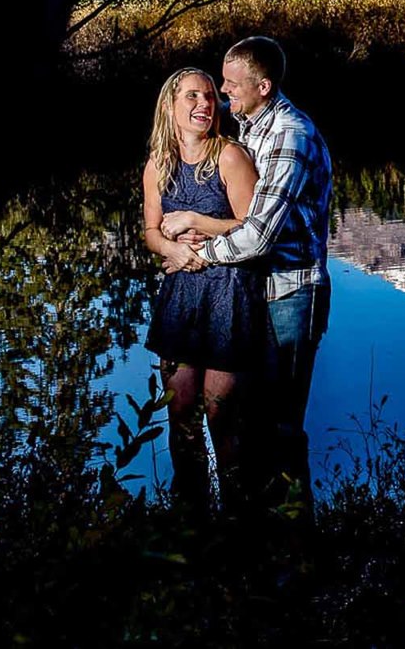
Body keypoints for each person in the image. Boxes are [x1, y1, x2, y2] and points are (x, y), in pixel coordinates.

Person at [170, 36, 333, 501]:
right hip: (256, 292)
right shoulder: (251, 127)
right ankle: (257, 539)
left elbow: (260, 233)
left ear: (263, 85)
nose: (223, 93)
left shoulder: (290, 135)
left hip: (291, 293)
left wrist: (200, 254)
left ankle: (295, 543)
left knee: (282, 427)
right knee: (252, 422)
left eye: (231, 85)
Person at [140, 67, 267, 499]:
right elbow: (151, 231)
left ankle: (237, 515)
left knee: (222, 414)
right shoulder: (158, 164)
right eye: (193, 96)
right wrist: (172, 251)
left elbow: (254, 229)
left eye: (210, 96)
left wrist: (199, 224)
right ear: (171, 106)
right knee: (180, 415)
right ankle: (189, 517)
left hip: (228, 293)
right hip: (180, 295)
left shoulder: (230, 156)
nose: (205, 104)